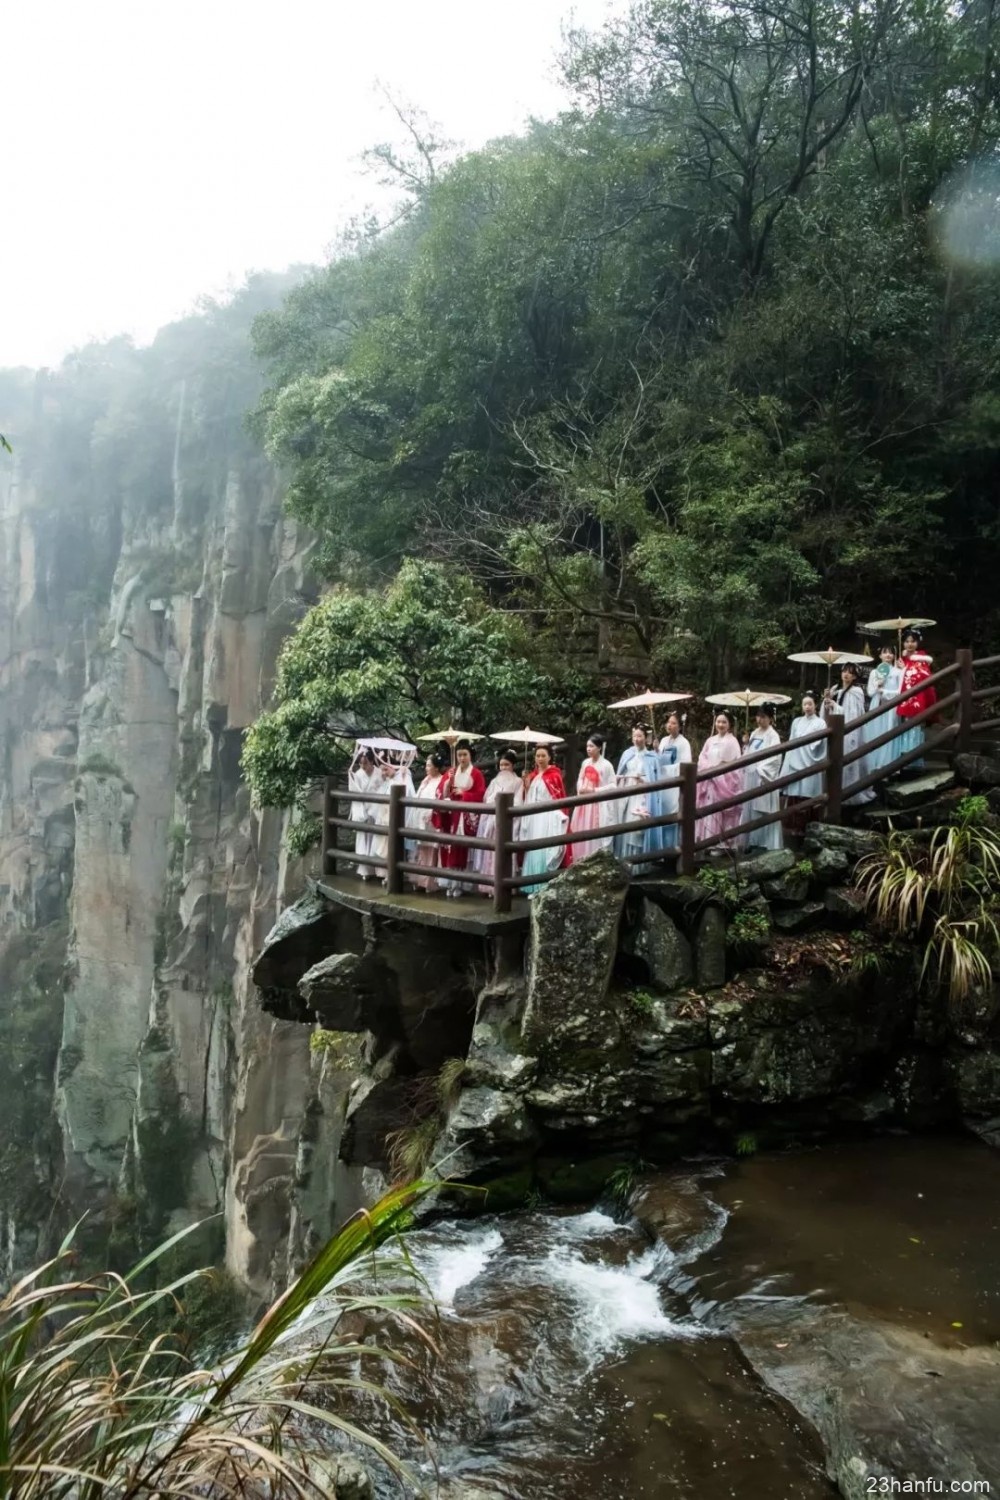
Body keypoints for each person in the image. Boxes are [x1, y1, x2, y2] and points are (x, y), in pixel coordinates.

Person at [432, 741, 487, 898]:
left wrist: (464, 794)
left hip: (465, 816)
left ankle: (462, 884)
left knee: (461, 849)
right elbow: (442, 791)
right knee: (450, 848)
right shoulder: (452, 771)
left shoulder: (476, 774)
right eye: (459, 755)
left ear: (470, 756)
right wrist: (447, 785)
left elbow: (480, 794)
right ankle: (451, 884)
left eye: (465, 755)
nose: (462, 758)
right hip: (451, 814)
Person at [469, 749, 524, 894]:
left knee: (504, 851)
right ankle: (489, 886)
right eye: (501, 765)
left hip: (506, 820)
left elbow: (518, 801)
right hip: (492, 819)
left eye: (507, 765)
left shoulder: (518, 781)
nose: (504, 768)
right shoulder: (494, 781)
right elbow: (487, 798)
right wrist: (494, 800)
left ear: (513, 765)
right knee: (491, 852)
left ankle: (505, 887)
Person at [614, 723, 669, 867]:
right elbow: (621, 772)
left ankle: (640, 864)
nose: (637, 739)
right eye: (634, 736)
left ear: (646, 738)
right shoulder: (627, 754)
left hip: (643, 794)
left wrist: (643, 779)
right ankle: (624, 861)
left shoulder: (652, 757)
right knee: (626, 824)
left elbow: (655, 780)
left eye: (640, 736)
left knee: (638, 827)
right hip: (627, 793)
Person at [520, 745, 572, 895]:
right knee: (534, 849)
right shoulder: (533, 775)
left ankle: (544, 886)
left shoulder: (554, 776)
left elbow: (558, 798)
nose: (540, 759)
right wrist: (527, 785)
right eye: (538, 756)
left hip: (548, 817)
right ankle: (532, 885)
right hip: (534, 818)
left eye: (543, 756)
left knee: (544, 849)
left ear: (549, 757)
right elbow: (529, 798)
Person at [822, 663, 876, 805]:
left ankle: (849, 793)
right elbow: (828, 713)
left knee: (849, 761)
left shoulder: (856, 692)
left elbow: (852, 714)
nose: (846, 674)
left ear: (854, 677)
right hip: (838, 732)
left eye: (850, 672)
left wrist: (835, 706)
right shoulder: (837, 692)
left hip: (851, 734)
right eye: (844, 671)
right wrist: (827, 701)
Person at [780, 691, 827, 837]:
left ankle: (807, 829)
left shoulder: (820, 722)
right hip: (795, 759)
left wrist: (807, 745)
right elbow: (792, 741)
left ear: (815, 705)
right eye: (805, 704)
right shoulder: (797, 722)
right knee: (795, 794)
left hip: (809, 761)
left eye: (810, 704)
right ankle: (793, 827)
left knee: (807, 793)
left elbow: (819, 743)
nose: (807, 707)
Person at [695, 711, 744, 848]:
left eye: (724, 722)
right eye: (718, 721)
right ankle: (707, 842)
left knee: (720, 811)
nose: (720, 724)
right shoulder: (710, 740)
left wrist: (718, 770)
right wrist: (709, 768)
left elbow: (731, 762)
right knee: (708, 809)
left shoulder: (732, 741)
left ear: (729, 725)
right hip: (709, 779)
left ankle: (721, 844)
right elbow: (702, 758)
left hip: (723, 782)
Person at [740, 704, 783, 852]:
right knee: (751, 809)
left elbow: (775, 759)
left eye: (763, 717)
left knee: (762, 809)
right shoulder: (754, 734)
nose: (759, 720)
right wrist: (746, 745)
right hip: (752, 775)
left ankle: (764, 842)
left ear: (770, 718)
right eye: (758, 716)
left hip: (762, 776)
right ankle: (751, 841)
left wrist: (760, 770)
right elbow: (749, 753)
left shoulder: (773, 736)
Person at [370, 751, 417, 881]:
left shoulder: (403, 776)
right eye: (382, 770)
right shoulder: (390, 780)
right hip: (385, 816)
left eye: (385, 769)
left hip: (396, 817)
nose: (384, 773)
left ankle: (393, 875)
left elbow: (408, 793)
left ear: (392, 766)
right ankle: (386, 873)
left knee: (394, 845)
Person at [569, 734, 616, 860]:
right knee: (581, 829)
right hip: (584, 803)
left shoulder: (606, 765)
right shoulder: (585, 763)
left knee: (596, 831)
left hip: (598, 804)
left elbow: (613, 786)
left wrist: (594, 790)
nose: (588, 749)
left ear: (599, 748)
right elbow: (580, 779)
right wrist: (581, 788)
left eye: (592, 746)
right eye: (587, 746)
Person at [895, 627, 936, 768]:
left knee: (915, 729)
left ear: (918, 643)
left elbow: (921, 676)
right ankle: (903, 762)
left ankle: (915, 763)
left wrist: (905, 670)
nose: (909, 644)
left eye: (913, 641)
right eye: (906, 641)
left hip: (917, 699)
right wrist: (900, 669)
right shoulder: (901, 659)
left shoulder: (922, 659)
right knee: (903, 729)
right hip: (903, 699)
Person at [407, 752, 447, 890]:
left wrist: (431, 813)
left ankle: (429, 882)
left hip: (431, 817)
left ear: (436, 768)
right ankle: (419, 880)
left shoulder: (441, 781)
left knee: (431, 850)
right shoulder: (426, 780)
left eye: (429, 765)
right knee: (421, 849)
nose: (426, 768)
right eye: (426, 765)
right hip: (421, 817)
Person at [863, 646, 904, 776]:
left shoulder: (898, 671)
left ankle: (889, 766)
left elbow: (899, 692)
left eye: (891, 653)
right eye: (884, 653)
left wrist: (884, 692)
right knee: (875, 733)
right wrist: (878, 685)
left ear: (894, 656)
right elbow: (869, 692)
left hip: (891, 707)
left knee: (889, 731)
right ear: (880, 656)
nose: (888, 655)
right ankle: (873, 765)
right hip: (876, 705)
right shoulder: (874, 672)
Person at [348, 748, 384, 881]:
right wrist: (351, 778)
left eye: (366, 763)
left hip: (376, 807)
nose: (363, 766)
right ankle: (365, 870)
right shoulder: (358, 774)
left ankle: (377, 869)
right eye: (361, 763)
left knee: (376, 838)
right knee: (364, 839)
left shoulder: (379, 772)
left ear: (372, 761)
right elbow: (354, 790)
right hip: (363, 807)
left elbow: (383, 788)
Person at [657, 713, 692, 850]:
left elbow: (685, 764)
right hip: (663, 781)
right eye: (669, 723)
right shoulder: (663, 741)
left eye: (673, 723)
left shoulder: (684, 743)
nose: (670, 725)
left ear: (680, 726)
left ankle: (674, 847)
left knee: (673, 812)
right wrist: (655, 751)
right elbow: (658, 759)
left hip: (674, 783)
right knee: (663, 813)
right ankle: (662, 847)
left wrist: (667, 769)